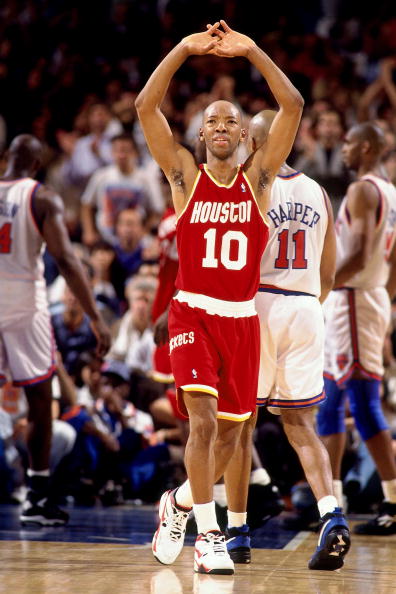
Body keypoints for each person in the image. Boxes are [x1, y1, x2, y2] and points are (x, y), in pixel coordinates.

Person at [135, 20, 303, 574]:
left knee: (233, 438)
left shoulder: (260, 180)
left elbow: (294, 105)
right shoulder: (183, 175)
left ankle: (179, 503)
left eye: (232, 120)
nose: (223, 126)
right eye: (213, 122)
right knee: (202, 422)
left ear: (246, 137)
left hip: (241, 318)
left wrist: (252, 49)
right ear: (203, 135)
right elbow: (144, 107)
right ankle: (209, 538)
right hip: (192, 312)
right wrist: (184, 49)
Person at [222, 110, 350, 571]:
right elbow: (330, 273)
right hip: (307, 306)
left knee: (240, 425)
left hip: (259, 306)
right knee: (302, 428)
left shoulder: (247, 183)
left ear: (252, 143)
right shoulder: (318, 191)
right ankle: (331, 514)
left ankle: (237, 532)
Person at [0, 134, 111, 525]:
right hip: (25, 307)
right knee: (40, 402)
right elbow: (65, 259)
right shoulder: (42, 197)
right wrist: (97, 318)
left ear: (7, 159)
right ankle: (37, 496)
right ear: (37, 166)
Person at [316, 122, 396, 535]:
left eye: (348, 143)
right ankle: (331, 504)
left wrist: (320, 285)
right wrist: (381, 294)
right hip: (365, 299)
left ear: (365, 147)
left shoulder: (363, 190)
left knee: (363, 406)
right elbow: (392, 263)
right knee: (329, 403)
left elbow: (362, 253)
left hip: (352, 300)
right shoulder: (391, 192)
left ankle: (394, 500)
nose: (343, 150)